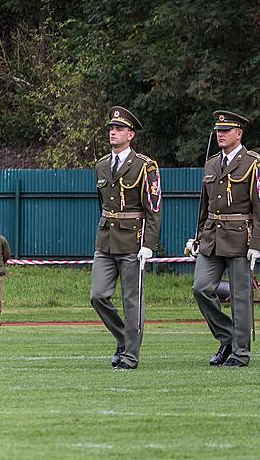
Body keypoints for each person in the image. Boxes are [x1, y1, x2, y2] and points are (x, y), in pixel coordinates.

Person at [189, 111, 260, 368]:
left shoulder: (255, 163)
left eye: (226, 130)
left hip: (240, 237)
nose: (220, 134)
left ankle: (240, 352)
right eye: (218, 131)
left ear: (239, 133)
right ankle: (227, 337)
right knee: (201, 287)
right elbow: (205, 204)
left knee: (240, 297)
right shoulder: (212, 163)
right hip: (212, 236)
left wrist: (257, 244)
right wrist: (198, 237)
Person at [91, 106, 162, 370]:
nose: (113, 132)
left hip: (133, 240)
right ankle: (123, 338)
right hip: (106, 239)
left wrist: (149, 245)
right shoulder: (100, 166)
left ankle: (131, 355)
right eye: (111, 128)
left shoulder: (145, 166)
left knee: (132, 300)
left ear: (130, 135)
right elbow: (103, 202)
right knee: (98, 295)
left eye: (119, 129)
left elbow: (153, 207)